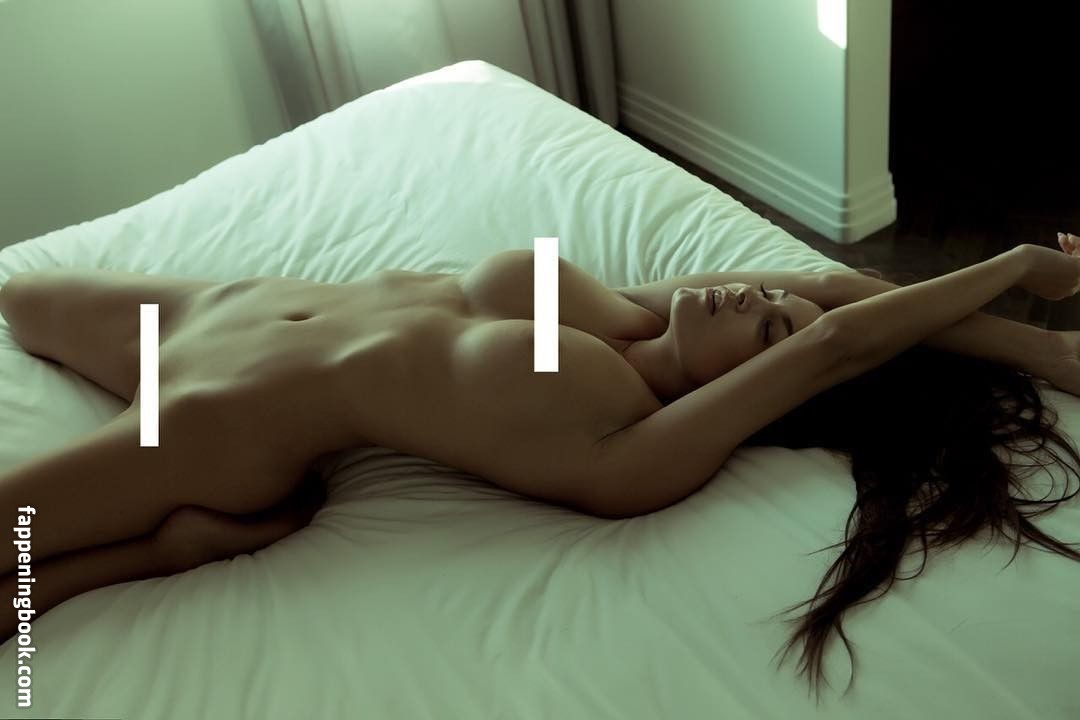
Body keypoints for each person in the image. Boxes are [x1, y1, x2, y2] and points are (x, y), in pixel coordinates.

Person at [1, 233, 1079, 650]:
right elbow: (838, 291)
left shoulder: (626, 446)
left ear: (754, 383)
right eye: (764, 302)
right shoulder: (626, 318)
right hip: (212, 312)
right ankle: (184, 540)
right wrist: (1045, 350)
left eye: (765, 330)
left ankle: (157, 551)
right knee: (19, 298)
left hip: (205, 420)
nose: (755, 294)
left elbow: (841, 340)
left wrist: (1015, 268)